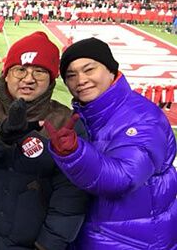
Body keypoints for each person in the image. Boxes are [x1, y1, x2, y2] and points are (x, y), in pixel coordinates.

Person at [0, 32, 89, 249]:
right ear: (6, 74)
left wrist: (47, 245)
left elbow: (71, 197)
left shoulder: (65, 123)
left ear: (51, 79)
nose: (28, 78)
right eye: (20, 69)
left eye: (39, 72)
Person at [47, 38, 177, 249]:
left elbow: (124, 178)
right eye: (71, 75)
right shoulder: (89, 113)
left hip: (133, 241)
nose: (80, 80)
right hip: (104, 234)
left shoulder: (142, 118)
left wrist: (74, 153)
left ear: (111, 70)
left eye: (89, 69)